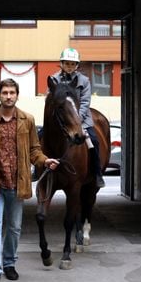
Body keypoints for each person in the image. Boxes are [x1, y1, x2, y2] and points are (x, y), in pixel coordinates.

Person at [0, 78, 59, 282]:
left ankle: (9, 263)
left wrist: (45, 160)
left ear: (17, 95)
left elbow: (34, 150)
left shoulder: (27, 120)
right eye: (5, 92)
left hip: (17, 184)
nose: (8, 96)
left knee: (15, 228)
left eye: (12, 92)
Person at [50, 47, 105, 188]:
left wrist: (76, 120)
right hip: (60, 120)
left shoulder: (84, 81)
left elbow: (85, 102)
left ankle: (97, 173)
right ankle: (37, 171)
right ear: (61, 63)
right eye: (67, 63)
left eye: (72, 64)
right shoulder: (53, 79)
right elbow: (49, 99)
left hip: (81, 120)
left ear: (77, 65)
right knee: (40, 136)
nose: (69, 66)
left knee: (94, 142)